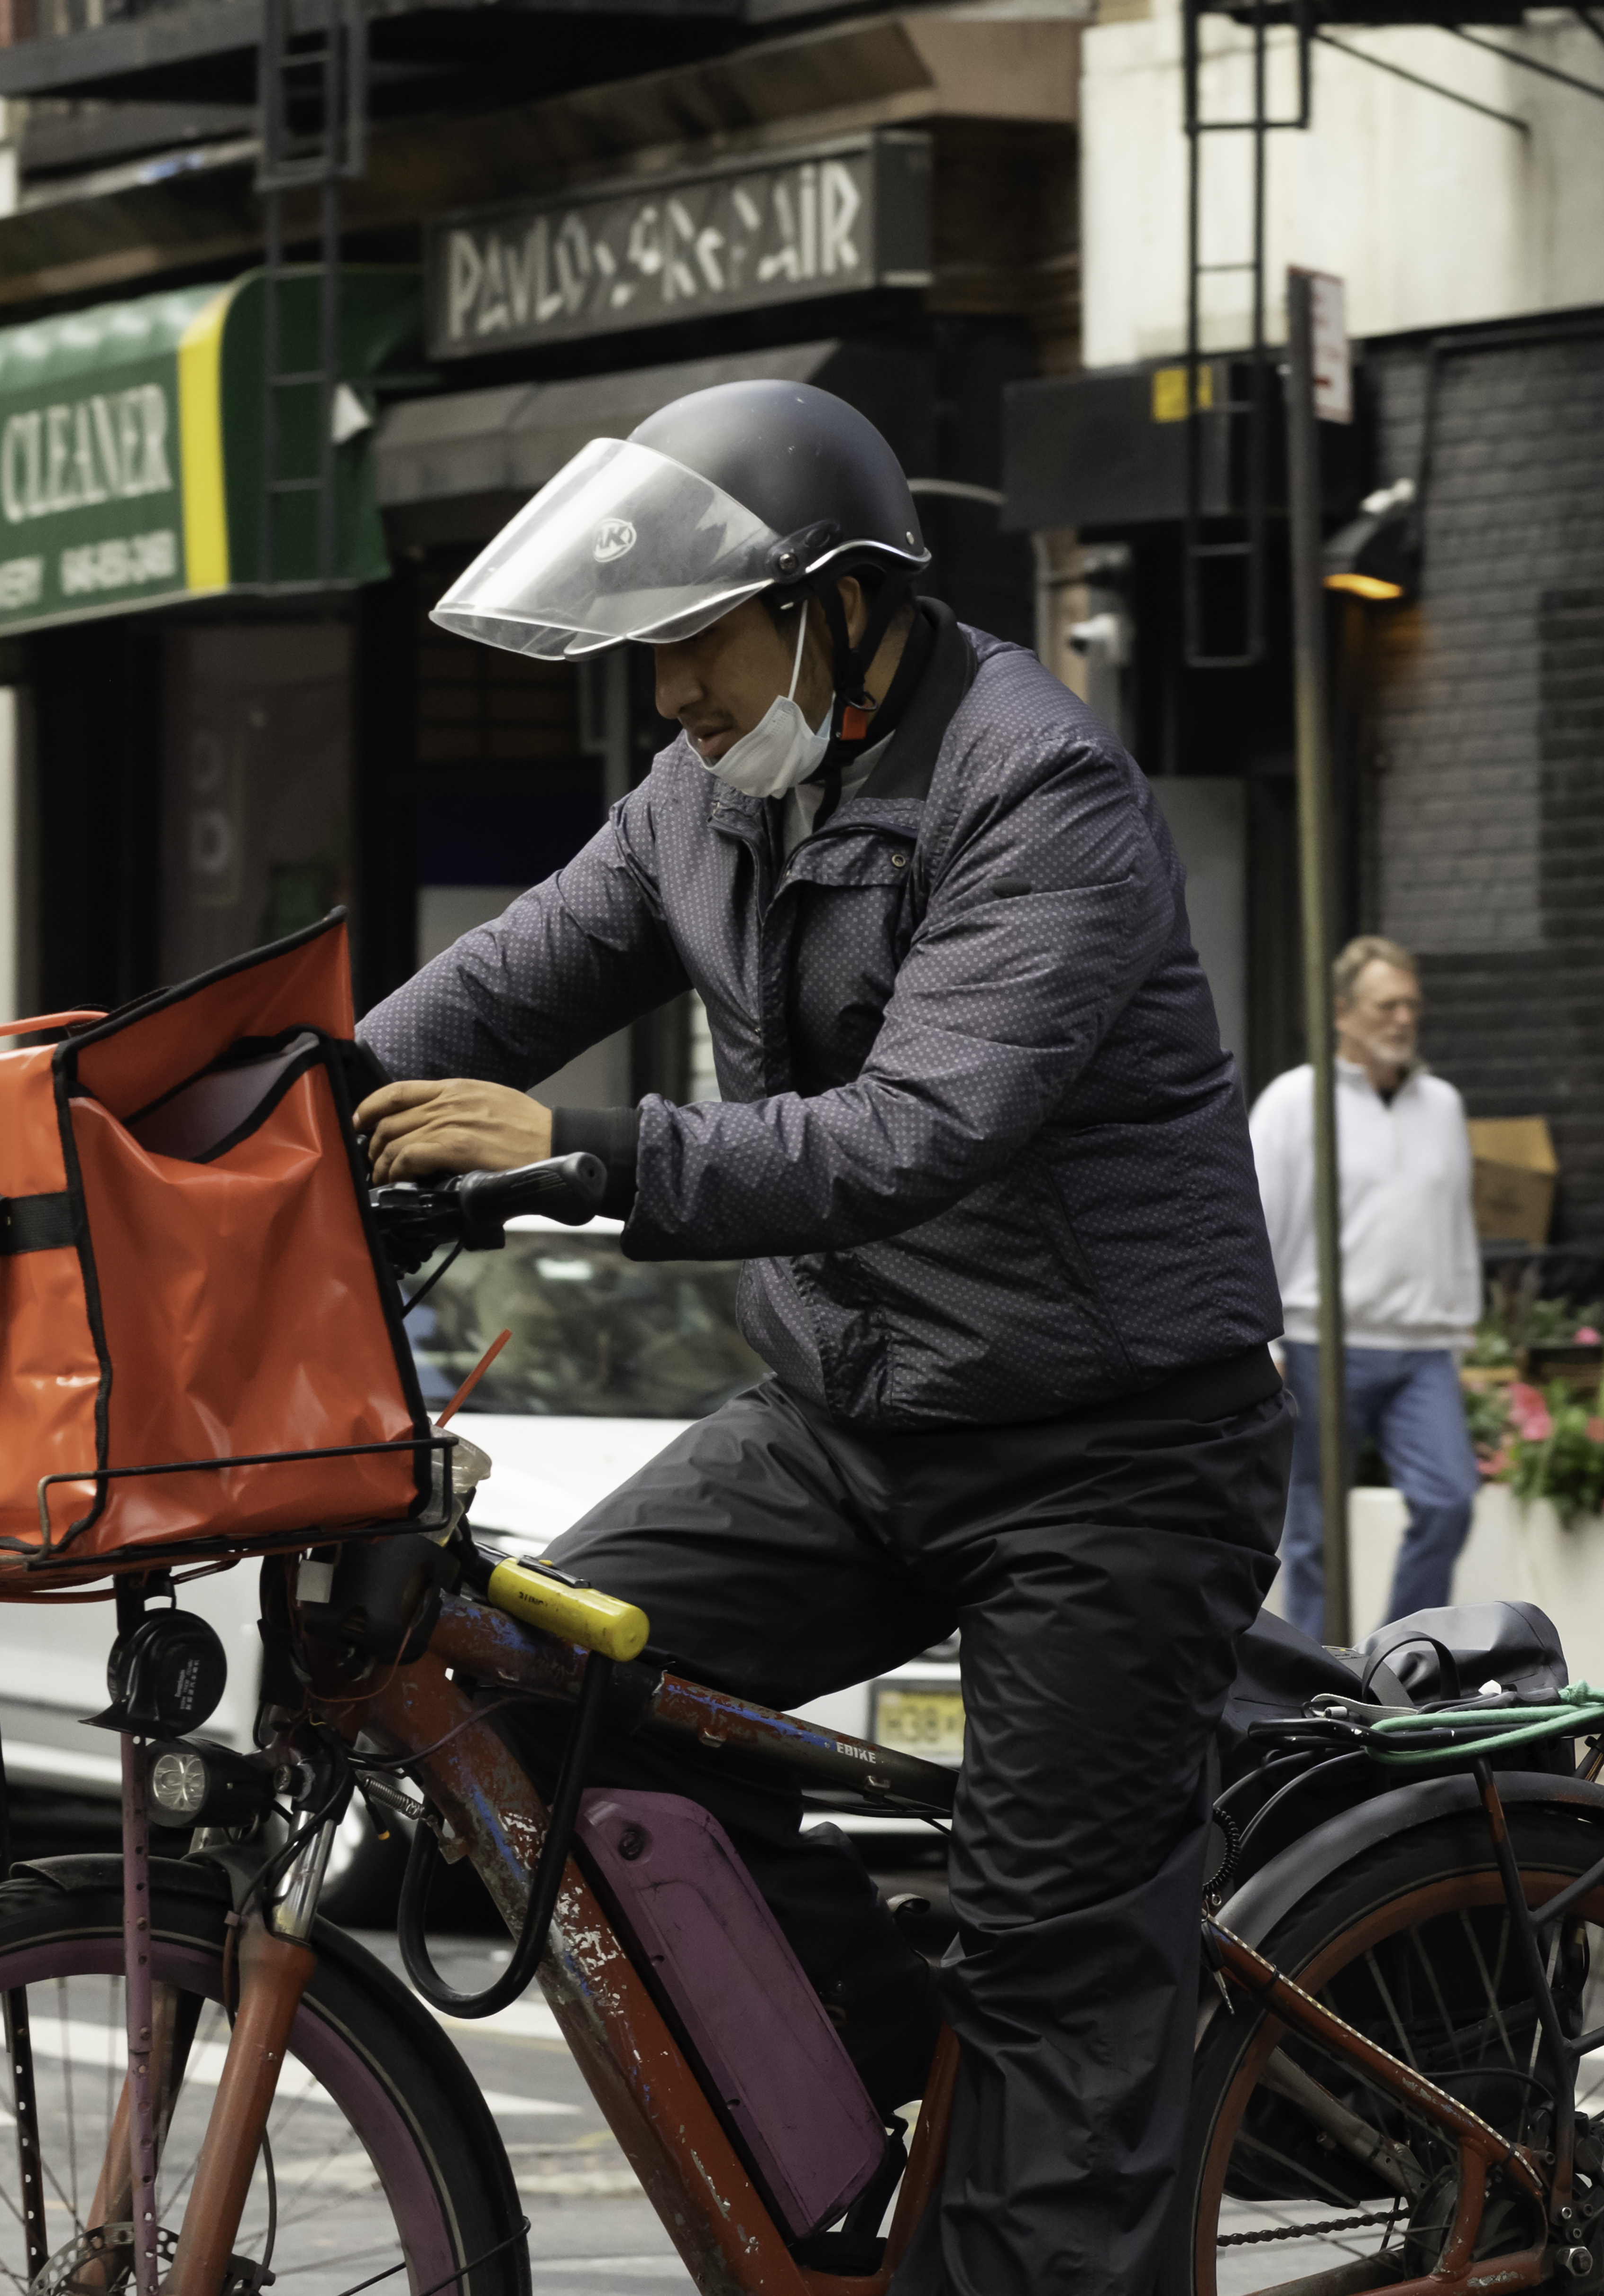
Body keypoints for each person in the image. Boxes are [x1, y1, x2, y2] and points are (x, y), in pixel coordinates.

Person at [356, 381, 1288, 2296]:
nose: (672, 697)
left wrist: (588, 1153)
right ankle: (931, 2066)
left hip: (1110, 1451)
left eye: (695, 645)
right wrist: (216, 1116)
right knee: (534, 1707)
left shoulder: (1036, 790)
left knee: (1052, 1964)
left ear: (839, 604)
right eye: (652, 659)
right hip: (851, 1417)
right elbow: (485, 993)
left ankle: (1033, 2106)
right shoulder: (703, 800)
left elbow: (912, 1134)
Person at [1249, 934, 1483, 1637]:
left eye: (1413, 1004)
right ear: (1343, 1013)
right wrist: (1265, 1341)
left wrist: (1462, 1330)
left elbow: (1457, 1226)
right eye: (1387, 1005)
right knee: (1315, 1534)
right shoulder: (1296, 1101)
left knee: (1450, 1500)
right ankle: (1321, 1686)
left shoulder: (1443, 1104)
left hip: (1422, 1348)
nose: (1403, 1019)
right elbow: (1254, 1221)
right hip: (1322, 1342)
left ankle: (1400, 1664)